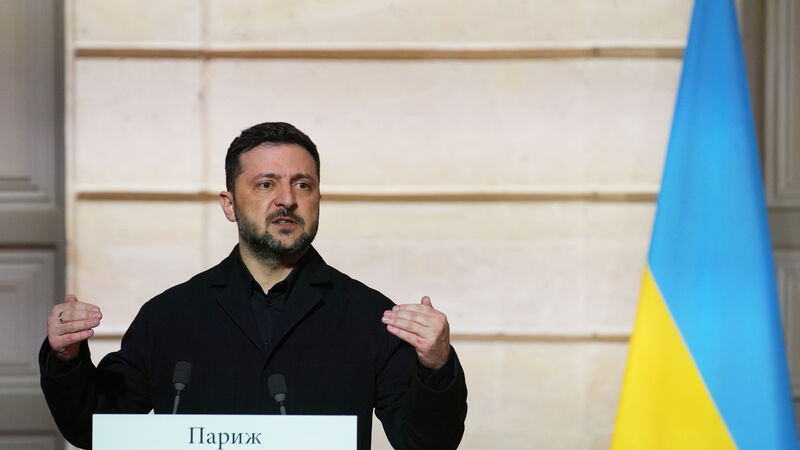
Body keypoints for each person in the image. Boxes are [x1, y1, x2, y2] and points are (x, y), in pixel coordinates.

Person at [39, 122, 468, 450]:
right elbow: (97, 427)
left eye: (303, 185)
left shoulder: (369, 315)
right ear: (229, 205)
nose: (287, 199)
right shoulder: (170, 315)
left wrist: (436, 364)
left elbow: (426, 443)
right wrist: (66, 358)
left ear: (318, 199)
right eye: (266, 184)